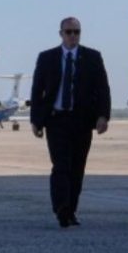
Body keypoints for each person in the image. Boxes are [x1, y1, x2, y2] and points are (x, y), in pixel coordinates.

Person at [30, 17, 111, 228]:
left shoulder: (92, 57)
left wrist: (103, 116)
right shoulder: (47, 58)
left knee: (77, 168)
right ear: (61, 34)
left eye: (76, 32)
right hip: (56, 120)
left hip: (82, 120)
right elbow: (37, 91)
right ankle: (61, 208)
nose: (73, 36)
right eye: (69, 32)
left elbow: (103, 88)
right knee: (61, 166)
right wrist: (36, 121)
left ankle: (71, 210)